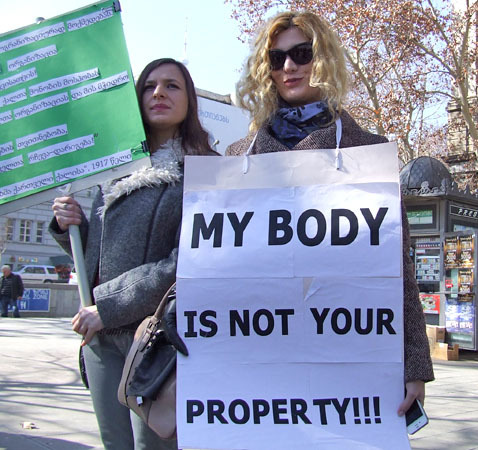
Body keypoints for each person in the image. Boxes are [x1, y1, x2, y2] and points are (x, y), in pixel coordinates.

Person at [227, 11, 434, 415]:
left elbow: (396, 269)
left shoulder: (367, 152)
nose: (289, 66)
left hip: (346, 356)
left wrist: (414, 365)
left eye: (302, 54)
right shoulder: (237, 158)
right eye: (276, 58)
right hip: (258, 356)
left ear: (323, 58)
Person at [50, 58, 218, 450]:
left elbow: (190, 260)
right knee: (114, 444)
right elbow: (97, 259)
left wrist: (108, 307)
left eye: (172, 86)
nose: (159, 93)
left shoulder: (206, 169)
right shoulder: (112, 170)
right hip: (102, 339)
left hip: (160, 342)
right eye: (149, 86)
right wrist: (71, 227)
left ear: (189, 101)